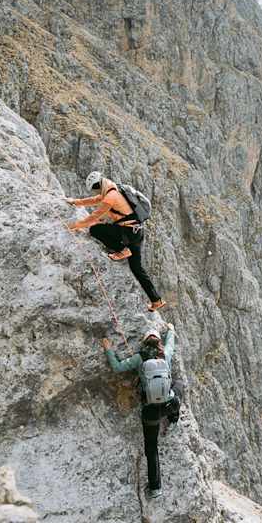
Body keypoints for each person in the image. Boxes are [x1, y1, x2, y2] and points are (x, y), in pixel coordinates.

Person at [102, 323, 181, 500]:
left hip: (151, 411)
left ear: (144, 342)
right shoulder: (165, 354)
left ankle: (155, 488)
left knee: (151, 448)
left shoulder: (139, 357)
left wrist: (108, 349)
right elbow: (171, 342)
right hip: (170, 405)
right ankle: (174, 420)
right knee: (179, 386)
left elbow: (117, 367)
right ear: (158, 342)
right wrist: (170, 329)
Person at [66, 171, 166, 311]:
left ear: (98, 184)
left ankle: (122, 250)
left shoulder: (110, 196)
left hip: (128, 232)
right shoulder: (113, 189)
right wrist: (76, 202)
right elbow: (95, 200)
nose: (96, 190)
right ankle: (156, 300)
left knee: (95, 229)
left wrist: (77, 225)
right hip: (137, 232)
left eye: (95, 187)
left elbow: (96, 215)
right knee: (137, 268)